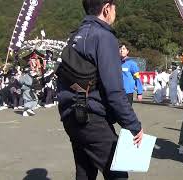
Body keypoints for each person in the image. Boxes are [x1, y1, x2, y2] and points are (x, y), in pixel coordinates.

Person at [56, 0, 143, 179]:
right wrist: (133, 125)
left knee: (85, 171)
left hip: (70, 114)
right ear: (106, 8)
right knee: (117, 174)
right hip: (91, 115)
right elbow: (114, 91)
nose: (115, 12)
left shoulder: (75, 35)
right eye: (114, 8)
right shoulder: (104, 36)